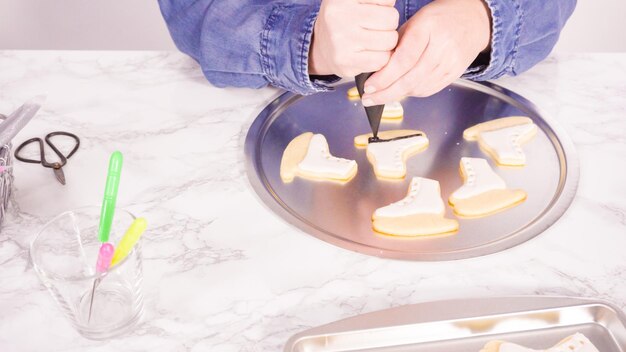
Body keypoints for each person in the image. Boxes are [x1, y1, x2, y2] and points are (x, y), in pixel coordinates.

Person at [157, 0, 575, 106]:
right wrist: (305, 44)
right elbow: (193, 11)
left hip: (484, 111)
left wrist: (484, 17)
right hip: (257, 112)